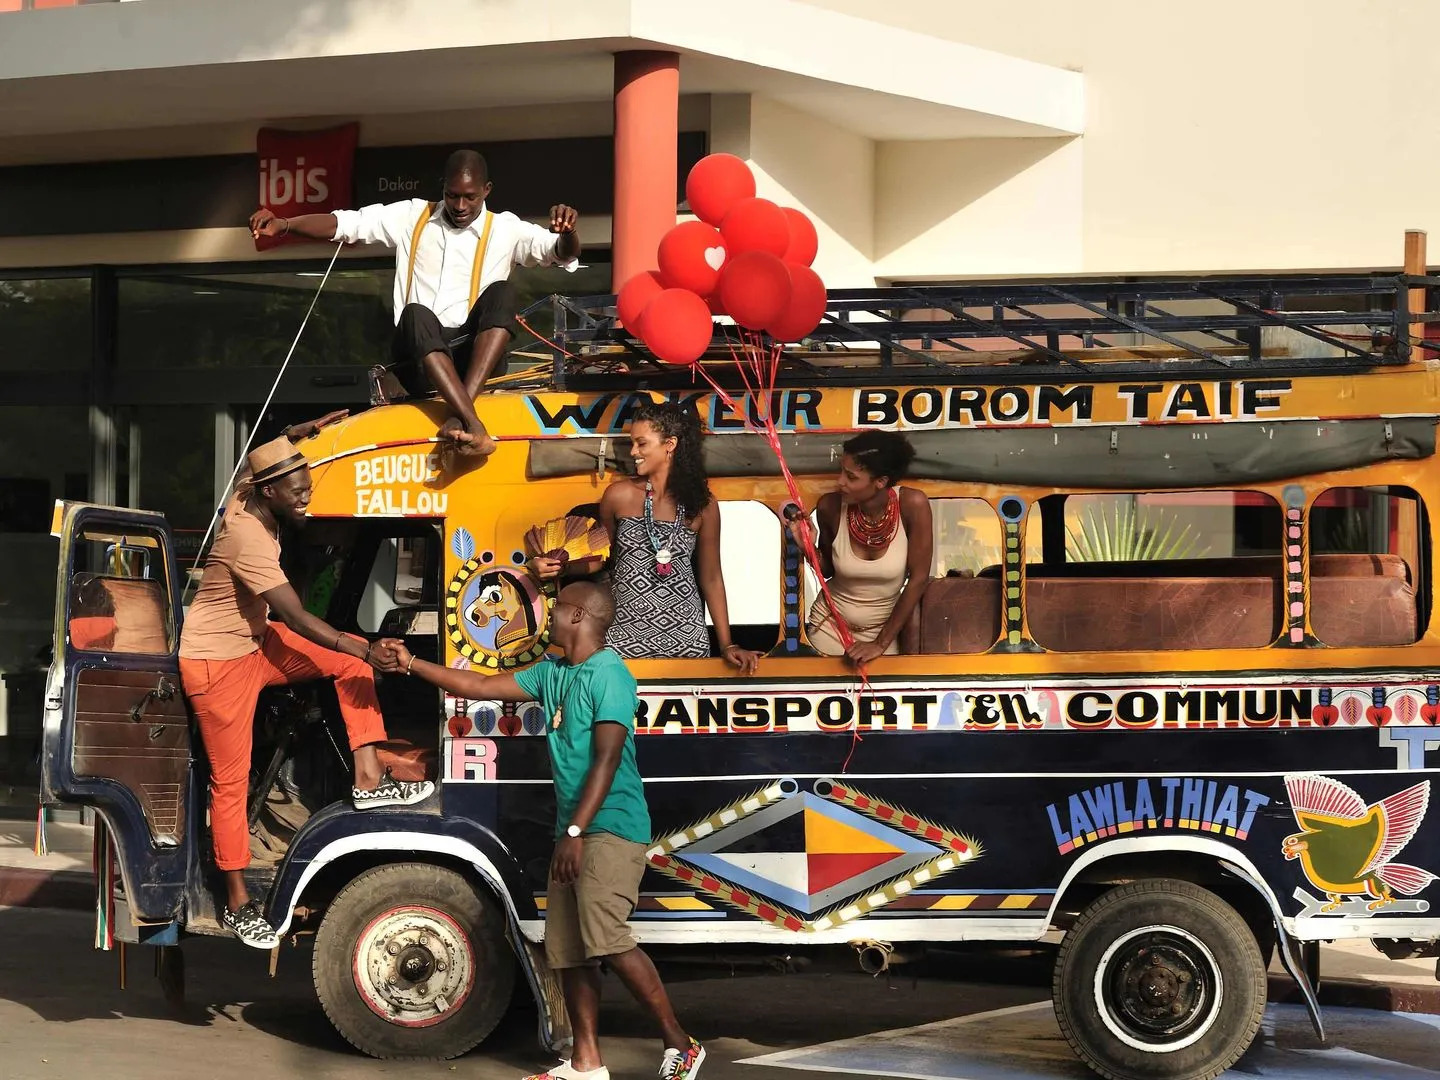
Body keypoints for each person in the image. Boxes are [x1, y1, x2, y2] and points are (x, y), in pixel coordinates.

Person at [377, 582, 706, 1080]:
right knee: (569, 953)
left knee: (609, 941)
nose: (546, 614)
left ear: (578, 616)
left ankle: (681, 1044)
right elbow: (480, 686)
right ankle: (586, 1063)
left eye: (556, 607)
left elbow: (607, 759)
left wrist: (574, 831)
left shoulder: (610, 675)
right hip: (573, 832)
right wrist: (411, 664)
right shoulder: (554, 672)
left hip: (610, 827)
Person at [179, 437, 434, 949]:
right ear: (268, 491)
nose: (306, 498)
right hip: (217, 664)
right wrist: (367, 650)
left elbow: (258, 460)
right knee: (231, 782)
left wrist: (310, 429)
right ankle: (236, 902)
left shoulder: (248, 492)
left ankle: (368, 780)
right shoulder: (245, 536)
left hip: (255, 639)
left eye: (307, 487)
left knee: (349, 661)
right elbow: (295, 616)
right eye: (297, 492)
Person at [249, 149, 580, 457]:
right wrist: (285, 225)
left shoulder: (506, 228)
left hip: (475, 361)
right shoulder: (412, 216)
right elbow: (346, 224)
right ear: (442, 188)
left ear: (487, 190)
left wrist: (567, 233)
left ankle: (461, 413)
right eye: (452, 195)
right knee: (415, 313)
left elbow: (561, 253)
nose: (460, 205)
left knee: (503, 292)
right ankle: (472, 422)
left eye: (470, 197)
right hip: (419, 363)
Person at [530, 401, 760, 674]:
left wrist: (727, 645)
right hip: (622, 637)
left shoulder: (704, 505)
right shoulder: (618, 496)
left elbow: (711, 578)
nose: (633, 452)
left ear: (670, 444)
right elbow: (601, 559)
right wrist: (561, 567)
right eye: (632, 443)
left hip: (687, 640)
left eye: (641, 443)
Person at [792, 430, 932, 664]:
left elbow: (918, 579)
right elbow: (827, 571)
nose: (840, 482)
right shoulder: (829, 507)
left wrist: (880, 644)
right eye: (841, 472)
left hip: (884, 633)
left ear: (881, 482)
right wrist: (808, 546)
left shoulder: (912, 505)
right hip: (829, 626)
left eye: (851, 477)